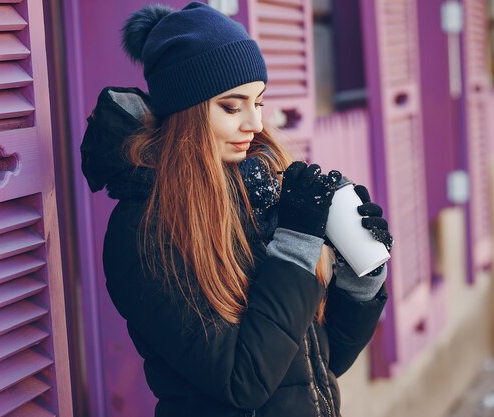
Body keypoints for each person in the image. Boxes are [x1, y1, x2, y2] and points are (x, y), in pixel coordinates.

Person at [80, 3, 393, 416]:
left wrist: (360, 278)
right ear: (187, 113)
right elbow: (243, 381)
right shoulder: (145, 231)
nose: (256, 124)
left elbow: (319, 365)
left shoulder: (260, 193)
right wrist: (297, 245)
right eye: (232, 106)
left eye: (258, 102)